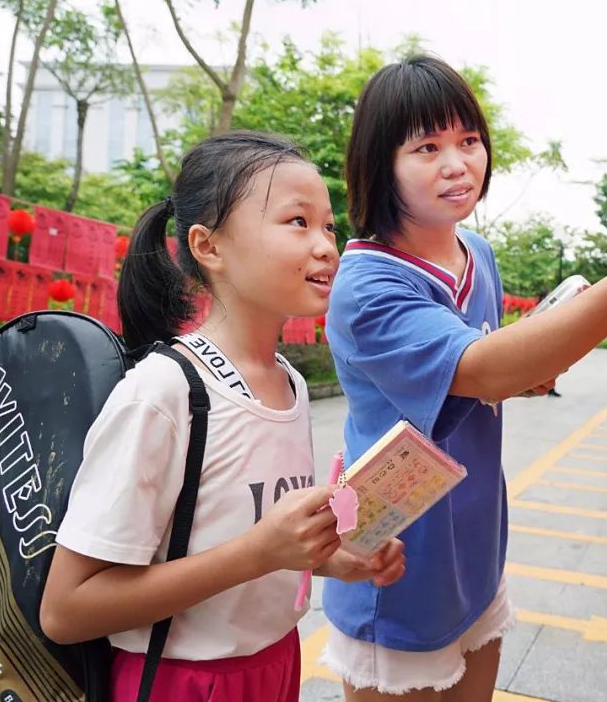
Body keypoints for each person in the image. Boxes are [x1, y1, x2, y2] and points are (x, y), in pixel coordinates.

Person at [322, 55, 607, 702]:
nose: (457, 163)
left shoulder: (475, 252)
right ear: (379, 164)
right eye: (427, 146)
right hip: (398, 560)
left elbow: (495, 370)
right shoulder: (366, 284)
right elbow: (482, 366)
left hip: (475, 542)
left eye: (469, 140)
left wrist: (522, 374)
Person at [39, 131, 405, 702]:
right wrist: (259, 551)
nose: (328, 246)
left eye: (329, 226)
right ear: (209, 247)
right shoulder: (163, 392)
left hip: (277, 665)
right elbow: (66, 609)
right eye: (297, 222)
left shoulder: (291, 383)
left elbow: (250, 544)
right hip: (180, 680)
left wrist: (333, 559)